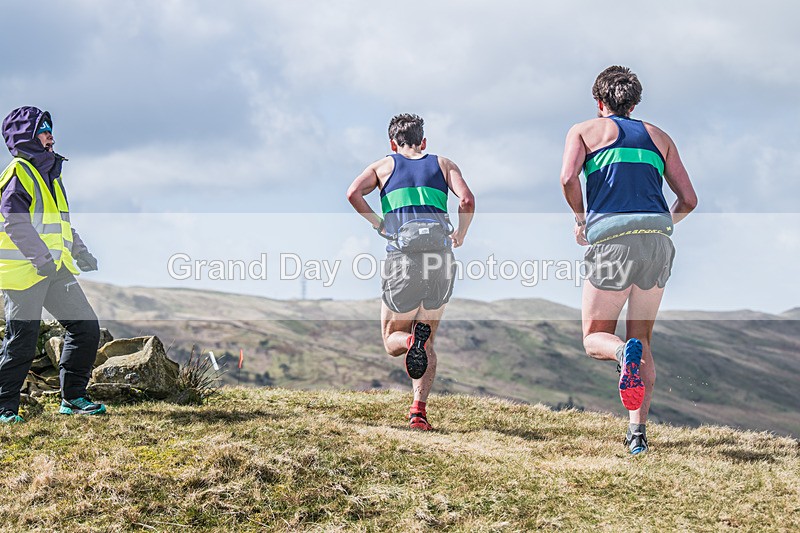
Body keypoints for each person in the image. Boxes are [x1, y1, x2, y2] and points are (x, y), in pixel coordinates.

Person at [559, 67, 697, 454]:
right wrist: (655, 224)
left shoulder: (584, 131)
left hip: (612, 242)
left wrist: (581, 217)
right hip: (657, 242)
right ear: (634, 103)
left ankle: (621, 354)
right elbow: (689, 200)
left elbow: (568, 177)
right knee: (643, 337)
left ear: (599, 102)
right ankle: (637, 435)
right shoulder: (660, 137)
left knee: (593, 338)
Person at [347, 113, 474, 431]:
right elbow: (467, 200)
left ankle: (409, 342)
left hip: (403, 259)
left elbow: (352, 193)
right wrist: (461, 233)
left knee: (392, 340)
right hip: (441, 260)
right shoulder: (444, 164)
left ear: (393, 143)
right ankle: (418, 412)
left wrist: (380, 224)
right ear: (424, 142)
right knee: (428, 340)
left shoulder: (382, 167)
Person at [0, 106, 106, 423]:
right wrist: (41, 259)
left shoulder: (51, 177)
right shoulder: (20, 172)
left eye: (50, 129)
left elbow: (60, 225)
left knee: (86, 327)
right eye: (44, 129)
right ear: (27, 135)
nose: (51, 136)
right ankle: (4, 409)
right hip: (23, 272)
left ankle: (73, 398)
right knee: (21, 342)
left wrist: (81, 251)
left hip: (54, 269)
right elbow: (14, 223)